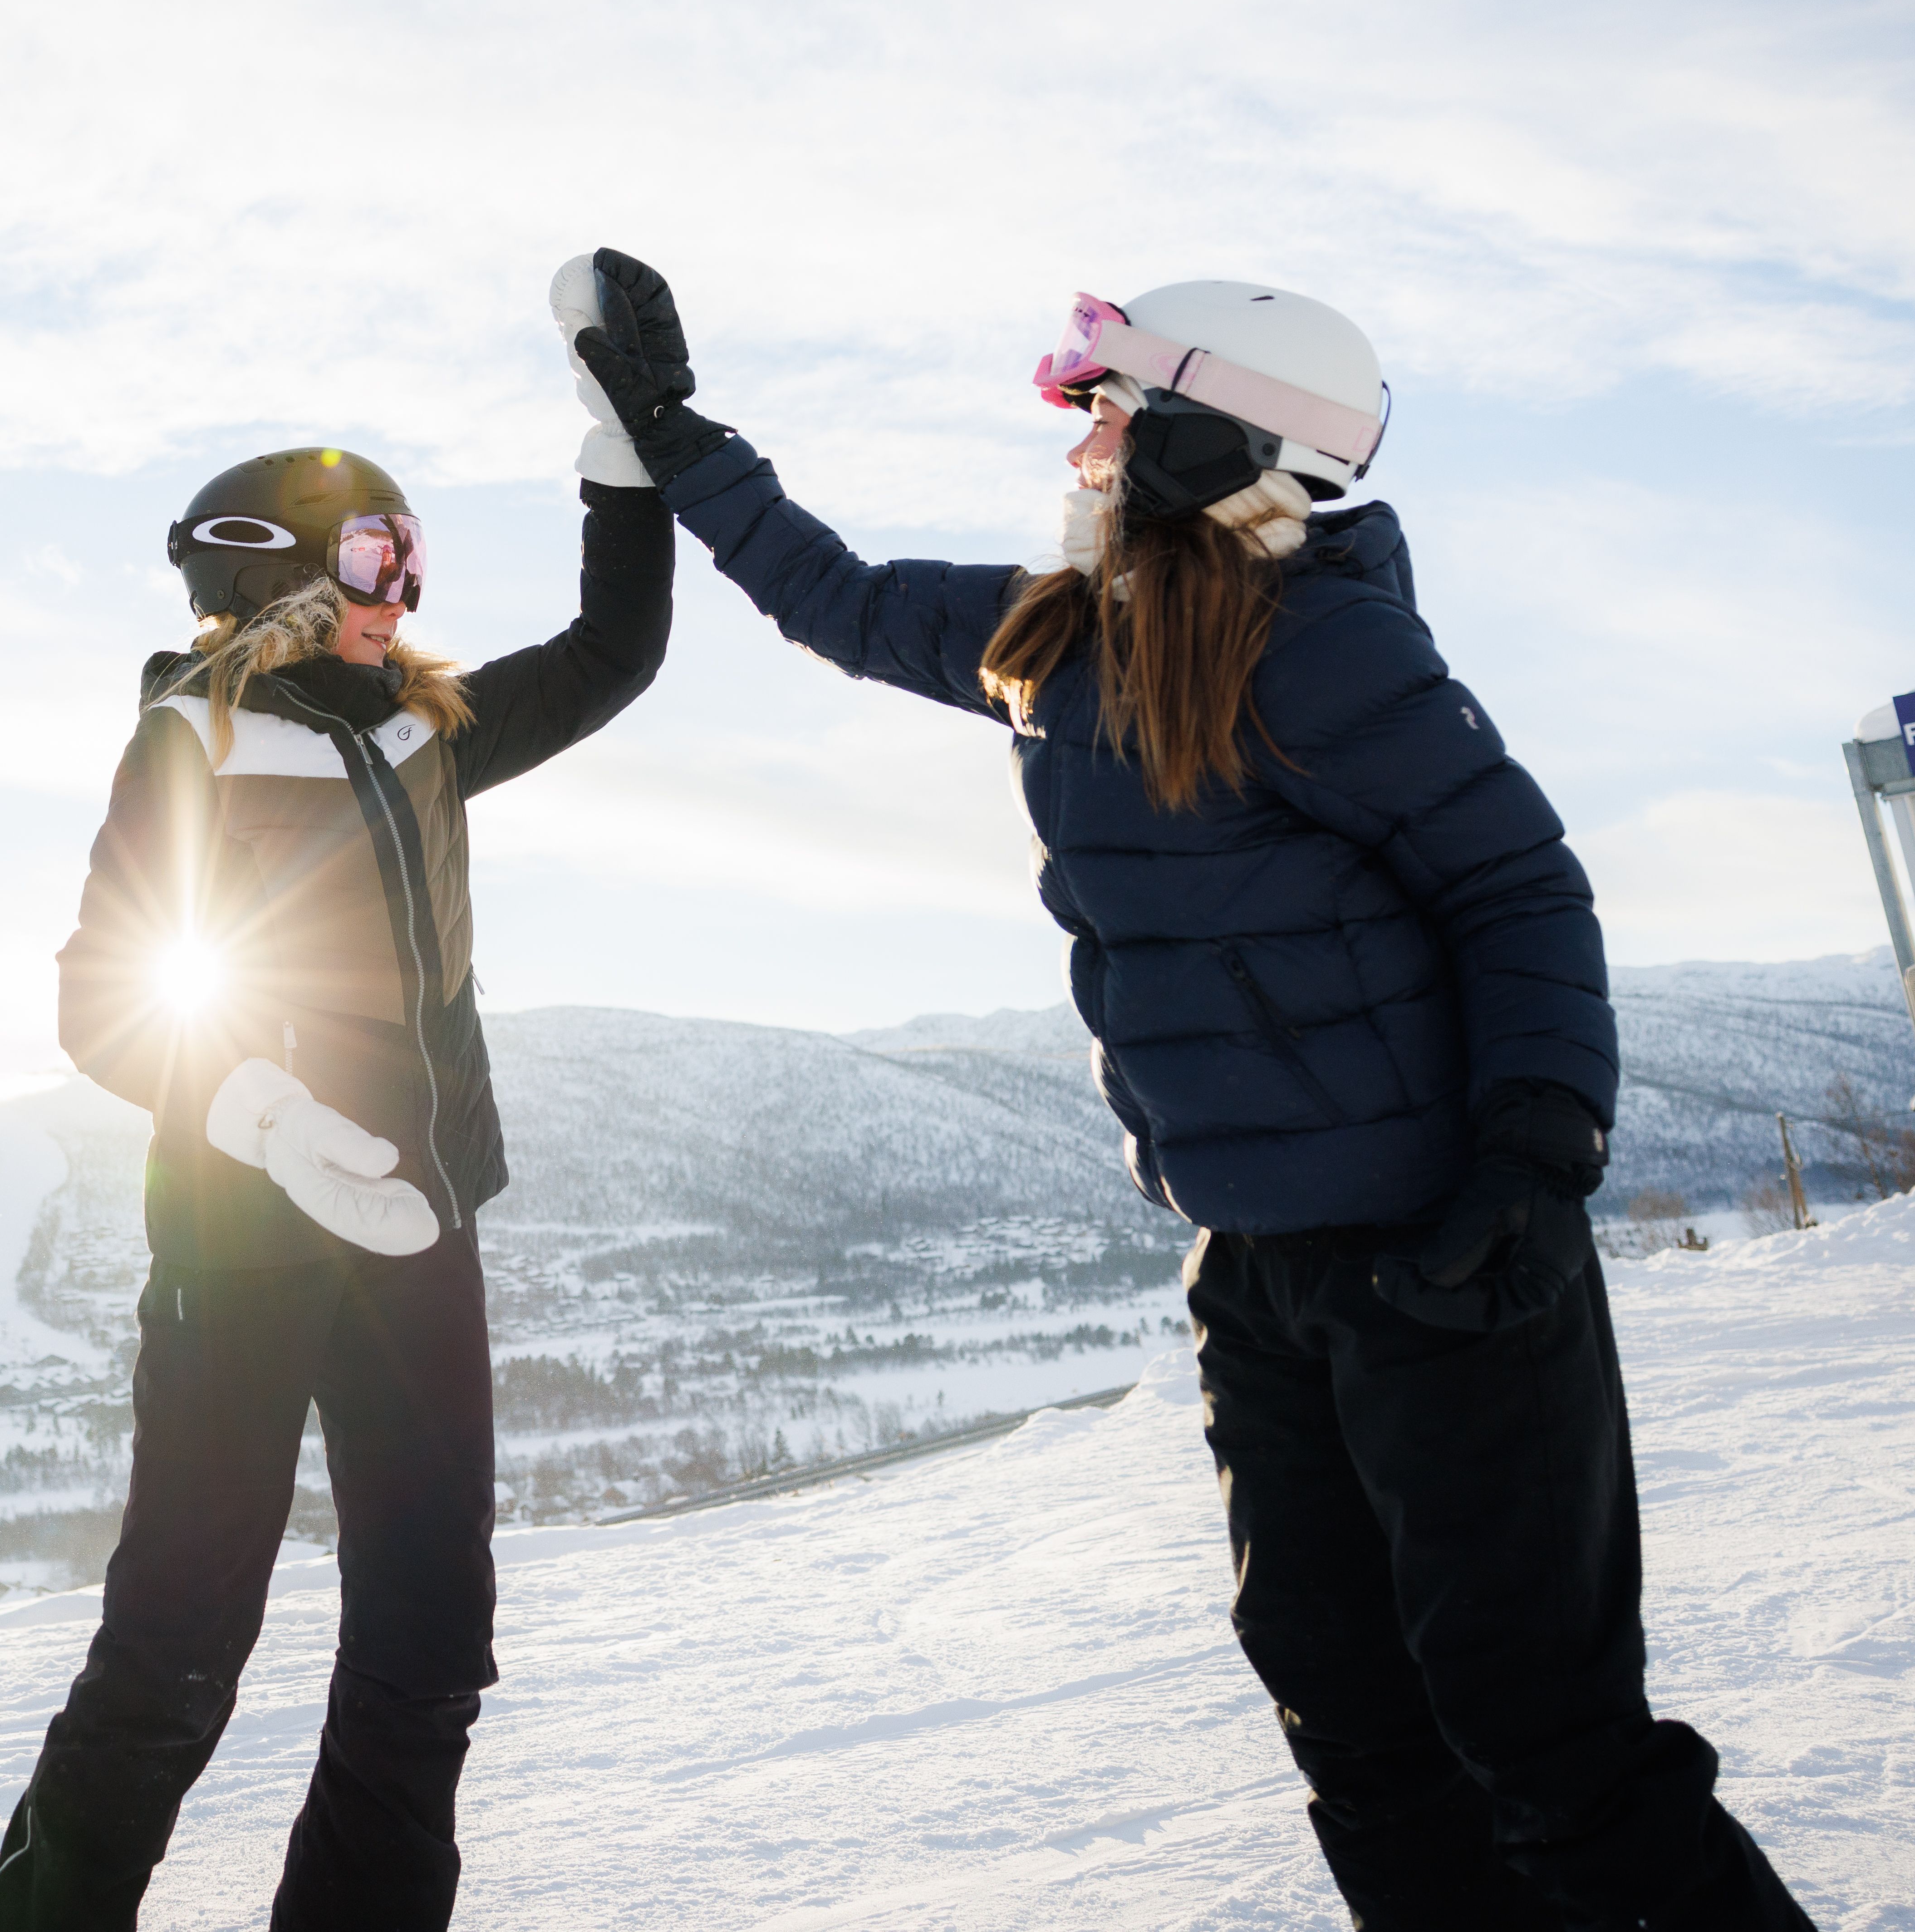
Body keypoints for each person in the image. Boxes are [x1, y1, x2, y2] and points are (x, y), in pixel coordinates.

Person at [569, 273, 1814, 1930]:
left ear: (1216, 431)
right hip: (1258, 1272)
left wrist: (1535, 1152)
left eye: (1104, 402)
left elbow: (1518, 892)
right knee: (1354, 1723)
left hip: (1449, 1257)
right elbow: (842, 600)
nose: (1077, 438)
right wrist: (679, 440)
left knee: (1544, 1738)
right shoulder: (1063, 638)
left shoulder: (1329, 646)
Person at [0, 255, 683, 1931]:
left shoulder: (424, 731)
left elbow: (616, 649)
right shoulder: (196, 746)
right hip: (245, 1252)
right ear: (277, 576)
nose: (406, 588)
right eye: (379, 554)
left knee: (434, 1641)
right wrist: (276, 1126)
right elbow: (105, 1002)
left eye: (416, 556)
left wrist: (623, 450)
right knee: (179, 1645)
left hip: (421, 1242)